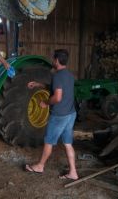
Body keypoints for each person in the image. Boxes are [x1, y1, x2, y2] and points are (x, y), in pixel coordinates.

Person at [25, 49, 78, 180]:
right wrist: (38, 84)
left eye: (53, 59)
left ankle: (40, 166)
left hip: (59, 116)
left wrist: (46, 103)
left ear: (56, 60)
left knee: (49, 142)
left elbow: (58, 97)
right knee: (68, 144)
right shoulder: (69, 75)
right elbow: (56, 87)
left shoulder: (57, 76)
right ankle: (73, 172)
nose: (52, 61)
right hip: (70, 114)